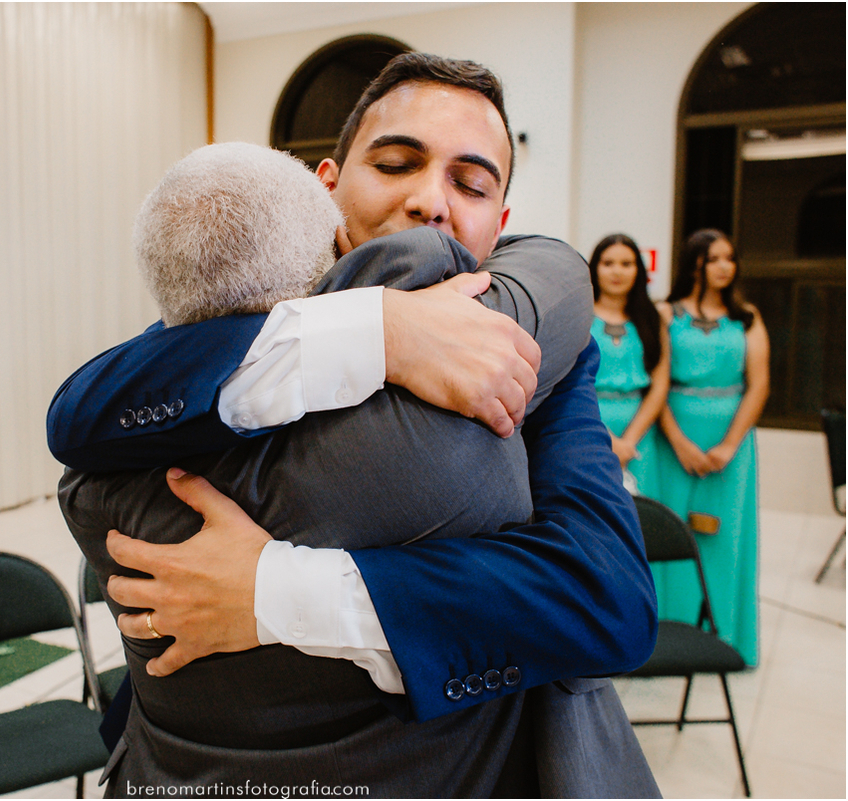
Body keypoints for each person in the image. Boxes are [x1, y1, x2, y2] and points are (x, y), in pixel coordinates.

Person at [48, 54, 658, 796]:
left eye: (470, 184)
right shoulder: (240, 316)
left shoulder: (529, 352)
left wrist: (277, 590)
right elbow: (83, 410)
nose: (429, 202)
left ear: (500, 224)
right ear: (326, 187)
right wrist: (378, 331)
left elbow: (608, 599)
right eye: (396, 164)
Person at [655, 229, 769, 666]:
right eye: (714, 258)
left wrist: (729, 446)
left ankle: (726, 636)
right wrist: (679, 442)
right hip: (674, 439)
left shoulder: (747, 317)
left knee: (726, 534)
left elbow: (759, 385)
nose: (725, 266)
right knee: (671, 528)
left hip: (731, 444)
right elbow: (658, 382)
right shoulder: (667, 314)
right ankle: (668, 636)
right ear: (694, 263)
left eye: (730, 258)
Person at [588, 233, 669, 496]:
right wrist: (608, 439)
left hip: (640, 433)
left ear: (639, 270)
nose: (617, 271)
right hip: (588, 423)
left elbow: (659, 385)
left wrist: (628, 442)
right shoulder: (579, 316)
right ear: (594, 267)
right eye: (608, 263)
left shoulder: (652, 319)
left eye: (626, 264)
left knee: (642, 511)